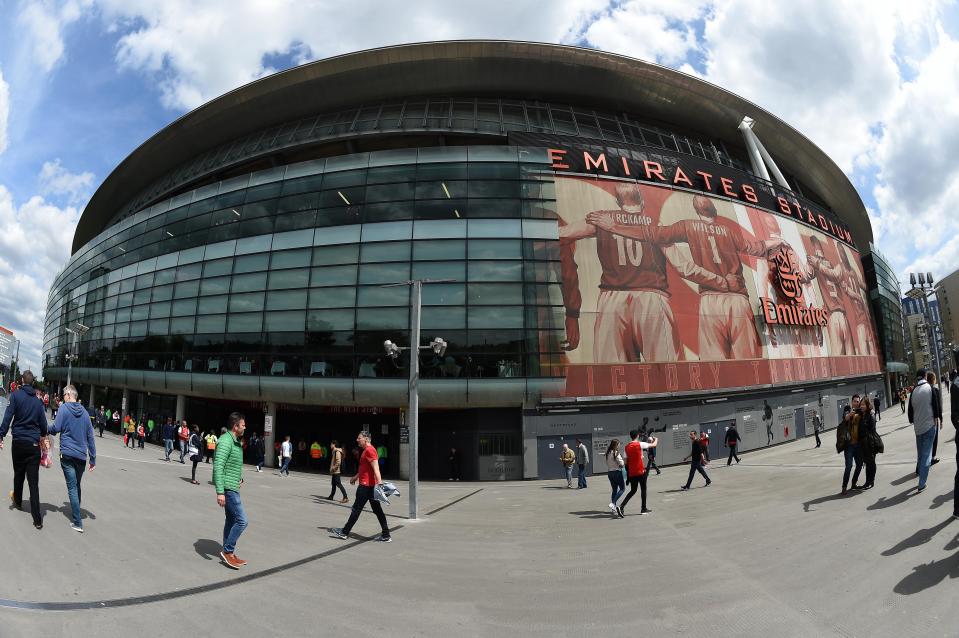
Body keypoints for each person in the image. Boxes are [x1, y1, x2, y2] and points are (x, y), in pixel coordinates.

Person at [0, 371, 49, 529]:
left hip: (18, 442)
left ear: (22, 380)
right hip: (33, 445)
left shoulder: (15, 396)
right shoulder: (38, 402)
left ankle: (19, 501)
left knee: (18, 473)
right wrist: (42, 436)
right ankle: (37, 519)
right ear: (33, 382)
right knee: (33, 482)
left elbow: (8, 417)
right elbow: (43, 425)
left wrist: (1, 434)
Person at [46, 385, 97, 532]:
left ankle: (77, 522)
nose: (63, 397)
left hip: (67, 454)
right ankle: (77, 512)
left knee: (72, 487)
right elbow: (90, 437)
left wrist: (45, 427)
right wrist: (93, 459)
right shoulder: (86, 413)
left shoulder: (64, 409)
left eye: (63, 395)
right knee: (77, 484)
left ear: (69, 394)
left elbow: (55, 429)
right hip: (81, 456)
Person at [329, 431, 391, 542]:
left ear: (366, 439)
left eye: (359, 438)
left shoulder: (370, 450)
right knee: (377, 511)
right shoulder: (366, 451)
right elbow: (365, 468)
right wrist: (356, 477)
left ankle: (344, 532)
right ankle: (386, 535)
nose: (357, 440)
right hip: (369, 486)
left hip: (366, 487)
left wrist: (380, 483)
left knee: (356, 509)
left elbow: (376, 468)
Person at [214, 412, 248, 569]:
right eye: (242, 425)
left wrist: (238, 478)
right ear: (235, 426)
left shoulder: (235, 441)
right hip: (228, 489)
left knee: (231, 519)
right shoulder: (226, 441)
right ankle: (228, 551)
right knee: (242, 520)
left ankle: (228, 552)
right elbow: (218, 466)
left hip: (232, 485)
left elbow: (231, 465)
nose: (244, 427)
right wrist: (220, 492)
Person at [908, 368, 940, 493]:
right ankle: (922, 483)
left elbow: (910, 411)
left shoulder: (914, 390)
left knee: (921, 454)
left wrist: (913, 421)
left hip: (918, 428)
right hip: (929, 426)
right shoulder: (929, 388)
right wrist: (936, 419)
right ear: (925, 376)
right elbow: (935, 405)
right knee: (927, 455)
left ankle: (920, 473)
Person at [619, 430, 656, 516]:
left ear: (630, 436)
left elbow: (625, 462)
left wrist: (628, 475)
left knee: (633, 490)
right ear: (638, 435)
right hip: (640, 471)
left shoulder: (627, 447)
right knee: (643, 489)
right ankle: (643, 508)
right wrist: (656, 439)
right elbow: (654, 445)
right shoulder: (639, 444)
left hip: (632, 473)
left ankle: (621, 506)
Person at [836, 394, 864, 494]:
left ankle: (853, 483)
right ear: (851, 401)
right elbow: (845, 418)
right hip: (849, 445)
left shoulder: (860, 411)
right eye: (855, 401)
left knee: (860, 465)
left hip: (858, 444)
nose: (856, 403)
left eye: (858, 401)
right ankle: (844, 487)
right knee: (848, 466)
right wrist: (850, 414)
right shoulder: (848, 408)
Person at [858, 396, 878, 490]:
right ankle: (867, 481)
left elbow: (872, 431)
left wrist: (870, 444)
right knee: (867, 463)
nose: (861, 406)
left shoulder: (871, 415)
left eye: (863, 404)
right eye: (860, 405)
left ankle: (871, 481)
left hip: (870, 442)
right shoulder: (862, 414)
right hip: (863, 443)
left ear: (867, 405)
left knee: (871, 462)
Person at [604, 439, 626, 516]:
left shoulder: (608, 453)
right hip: (617, 472)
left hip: (610, 473)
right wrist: (622, 464)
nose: (619, 446)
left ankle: (613, 508)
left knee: (614, 490)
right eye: (619, 444)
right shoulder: (616, 453)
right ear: (616, 445)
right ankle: (613, 503)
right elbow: (622, 463)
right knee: (622, 488)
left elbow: (608, 463)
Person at [928, 371, 943, 466]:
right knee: (934, 439)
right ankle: (932, 457)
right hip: (934, 419)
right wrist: (940, 419)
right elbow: (938, 406)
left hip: (925, 419)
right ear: (933, 380)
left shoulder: (925, 390)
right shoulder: (935, 390)